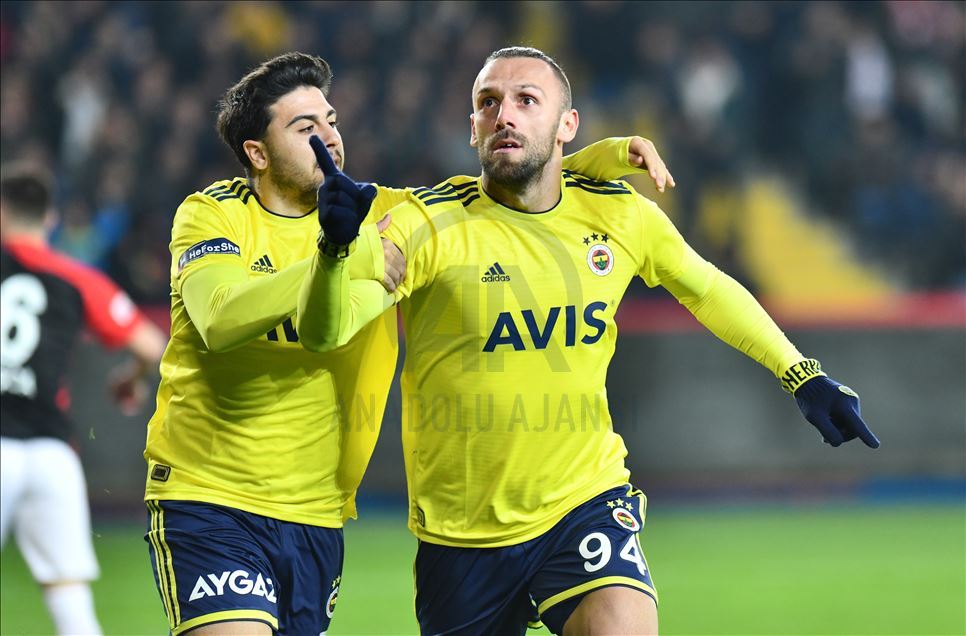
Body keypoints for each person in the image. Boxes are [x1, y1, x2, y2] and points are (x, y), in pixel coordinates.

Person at [296, 46, 880, 635]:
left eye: (527, 100)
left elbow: (707, 289)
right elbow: (328, 330)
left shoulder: (620, 215)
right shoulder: (428, 222)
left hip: (584, 502)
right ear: (472, 127)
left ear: (567, 124)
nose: (505, 114)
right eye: (488, 103)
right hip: (462, 533)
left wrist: (800, 373)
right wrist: (337, 252)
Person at [141, 50, 675, 635]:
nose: (328, 138)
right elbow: (220, 318)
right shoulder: (214, 215)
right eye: (304, 127)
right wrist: (343, 253)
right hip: (209, 497)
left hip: (316, 513)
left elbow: (507, 179)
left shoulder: (382, 212)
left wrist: (607, 154)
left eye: (331, 121)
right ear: (258, 153)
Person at [0, 164, 167, 636]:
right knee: (70, 600)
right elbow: (151, 345)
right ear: (50, 219)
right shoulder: (75, 277)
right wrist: (130, 379)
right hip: (51, 455)